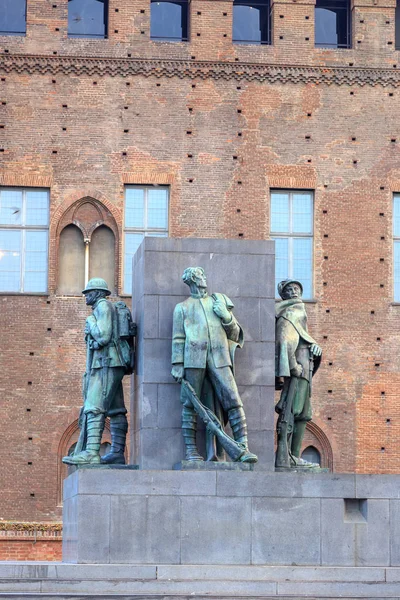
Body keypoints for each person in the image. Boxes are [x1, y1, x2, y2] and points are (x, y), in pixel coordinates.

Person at [171, 266, 257, 463]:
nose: (204, 278)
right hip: (193, 358)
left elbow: (235, 334)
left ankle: (242, 445)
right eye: (200, 275)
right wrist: (177, 363)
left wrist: (226, 316)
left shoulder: (219, 302)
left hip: (220, 356)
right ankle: (191, 451)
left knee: (233, 399)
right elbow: (178, 337)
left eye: (203, 274)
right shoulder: (182, 308)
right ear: (192, 280)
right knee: (190, 403)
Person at [63, 278, 131, 466]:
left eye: (88, 292)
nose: (86, 295)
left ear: (97, 293)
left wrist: (91, 322)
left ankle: (92, 452)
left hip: (105, 363)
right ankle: (117, 452)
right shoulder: (104, 307)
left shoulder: (102, 307)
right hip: (111, 363)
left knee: (93, 406)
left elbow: (103, 335)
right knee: (116, 410)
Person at [275, 279, 322, 468]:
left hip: (306, 367)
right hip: (299, 369)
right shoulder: (288, 313)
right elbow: (285, 340)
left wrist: (314, 346)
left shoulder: (300, 312)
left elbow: (302, 338)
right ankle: (287, 456)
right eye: (289, 290)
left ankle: (293, 456)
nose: (294, 291)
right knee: (292, 411)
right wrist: (293, 366)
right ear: (284, 295)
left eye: (297, 288)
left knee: (304, 413)